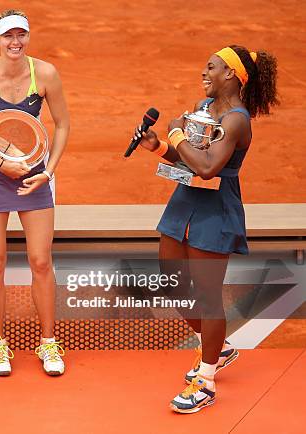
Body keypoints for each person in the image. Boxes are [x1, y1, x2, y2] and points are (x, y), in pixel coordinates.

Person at [136, 45, 278, 413]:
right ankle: (217, 346)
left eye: (210, 67)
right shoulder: (202, 110)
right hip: (184, 202)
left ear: (229, 74)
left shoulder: (236, 120)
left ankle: (207, 380)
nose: (204, 72)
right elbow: (187, 158)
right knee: (172, 282)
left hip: (215, 210)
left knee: (208, 296)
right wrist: (160, 146)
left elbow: (209, 167)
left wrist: (178, 135)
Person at [0, 10, 70, 376]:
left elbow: (63, 124)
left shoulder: (46, 74)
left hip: (34, 178)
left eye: (21, 35)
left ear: (28, 37)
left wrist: (47, 172)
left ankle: (49, 343)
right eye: (8, 36)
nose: (15, 42)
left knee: (40, 261)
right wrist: (0, 163)